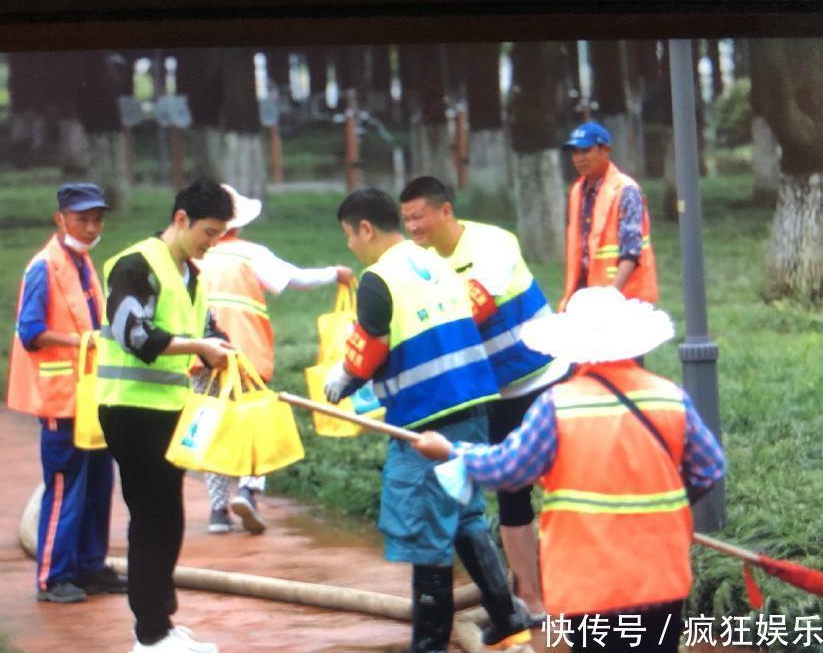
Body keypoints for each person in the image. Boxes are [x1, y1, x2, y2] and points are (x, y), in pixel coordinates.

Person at [412, 287, 726, 653]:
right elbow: (709, 467)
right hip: (661, 576)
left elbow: (508, 469)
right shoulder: (670, 397)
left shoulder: (558, 406)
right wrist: (668, 508)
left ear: (572, 351)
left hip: (590, 583)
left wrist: (452, 451)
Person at [324, 187, 540, 653]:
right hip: (474, 404)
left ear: (365, 228)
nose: (350, 247)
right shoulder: (437, 263)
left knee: (426, 527)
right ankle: (507, 616)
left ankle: (429, 645)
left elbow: (371, 343)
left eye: (349, 235)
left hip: (427, 419)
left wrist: (345, 377)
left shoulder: (378, 278)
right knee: (464, 513)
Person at [399, 176, 570, 617]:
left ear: (445, 211)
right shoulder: (416, 262)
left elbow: (472, 311)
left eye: (418, 216)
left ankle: (579, 587)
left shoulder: (493, 244)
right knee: (512, 492)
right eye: (406, 220)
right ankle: (530, 599)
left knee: (568, 482)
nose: (413, 227)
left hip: (542, 378)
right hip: (491, 392)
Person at [96, 177, 235, 653]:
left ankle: (160, 623)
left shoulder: (189, 274)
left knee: (167, 519)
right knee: (153, 519)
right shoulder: (136, 266)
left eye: (218, 234)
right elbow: (135, 335)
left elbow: (201, 327)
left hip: (167, 411)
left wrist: (221, 347)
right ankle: (150, 636)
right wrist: (199, 346)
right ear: (181, 220)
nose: (212, 244)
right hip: (131, 411)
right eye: (209, 233)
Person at [194, 183, 353, 535]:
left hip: (200, 356)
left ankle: (218, 511)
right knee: (255, 423)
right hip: (244, 354)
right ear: (237, 224)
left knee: (212, 426)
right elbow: (294, 278)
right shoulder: (250, 254)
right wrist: (334, 272)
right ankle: (249, 490)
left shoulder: (195, 254)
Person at [6, 182, 127, 604]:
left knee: (98, 480)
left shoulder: (81, 261)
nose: (92, 227)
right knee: (65, 485)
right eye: (83, 219)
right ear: (60, 218)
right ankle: (54, 576)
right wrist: (82, 343)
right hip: (62, 397)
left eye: (97, 219)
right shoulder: (45, 266)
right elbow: (31, 332)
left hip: (92, 394)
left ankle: (90, 566)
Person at [560, 121, 658, 311]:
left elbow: (632, 249)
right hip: (586, 294)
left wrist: (613, 295)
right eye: (575, 152)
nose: (579, 158)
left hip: (625, 297)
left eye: (586, 150)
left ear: (605, 150)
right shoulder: (576, 191)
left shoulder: (626, 190)